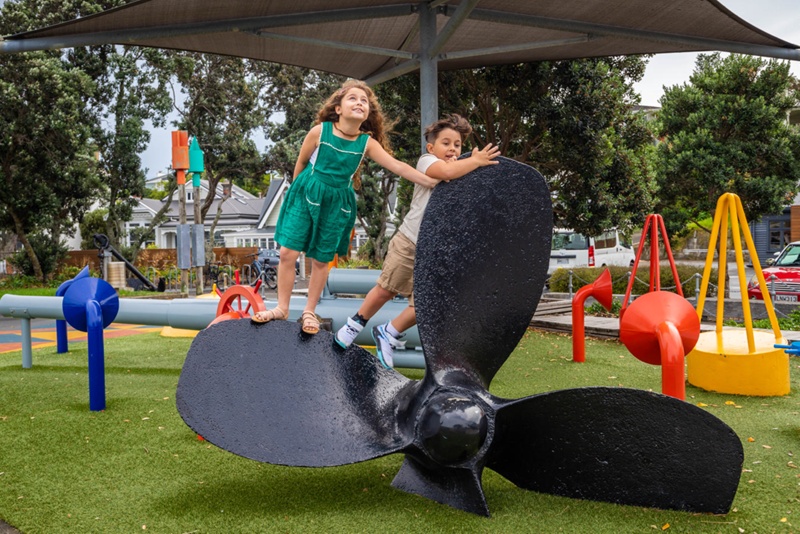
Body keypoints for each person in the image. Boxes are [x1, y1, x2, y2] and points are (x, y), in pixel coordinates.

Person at [251, 80, 439, 334]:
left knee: (321, 259)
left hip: (337, 203)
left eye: (364, 101)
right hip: (307, 191)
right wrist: (296, 196)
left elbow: (399, 167)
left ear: (368, 113)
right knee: (287, 253)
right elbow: (301, 163)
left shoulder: (366, 143)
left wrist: (432, 181)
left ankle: (309, 311)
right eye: (353, 98)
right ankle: (282, 308)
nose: (359, 103)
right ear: (338, 108)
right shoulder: (320, 132)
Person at [335, 114, 500, 367]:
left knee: (426, 304)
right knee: (386, 289)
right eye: (446, 143)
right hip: (410, 240)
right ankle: (354, 324)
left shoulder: (464, 173)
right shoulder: (427, 162)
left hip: (435, 250)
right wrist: (476, 161)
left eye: (457, 145)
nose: (452, 149)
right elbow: (445, 172)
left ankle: (389, 332)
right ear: (432, 147)